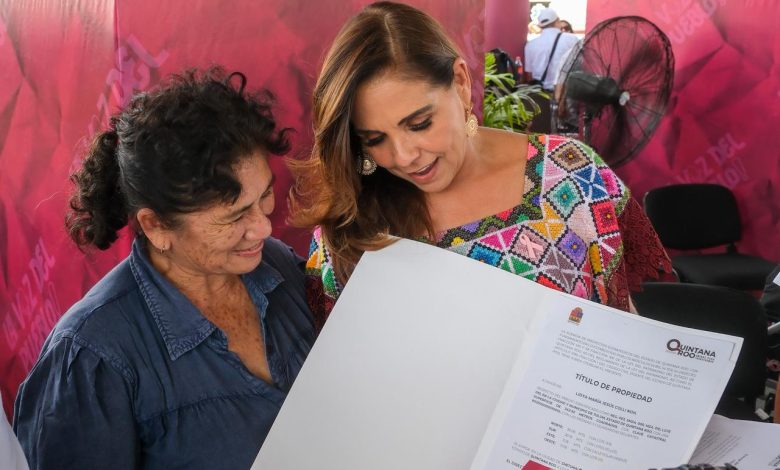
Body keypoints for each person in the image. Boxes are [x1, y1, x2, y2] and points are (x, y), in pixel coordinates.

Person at [289, 1, 672, 332]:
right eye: (375, 139)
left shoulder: (570, 175)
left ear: (459, 82)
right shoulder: (351, 222)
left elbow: (625, 322)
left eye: (419, 124)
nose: (404, 156)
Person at [13, 68, 315, 469]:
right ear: (156, 227)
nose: (262, 226)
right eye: (234, 216)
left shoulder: (275, 264)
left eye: (264, 197)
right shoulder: (92, 357)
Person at [524, 7, 579, 91]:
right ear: (557, 21)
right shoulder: (571, 39)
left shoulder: (530, 45)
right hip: (563, 93)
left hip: (540, 94)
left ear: (541, 25)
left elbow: (529, 75)